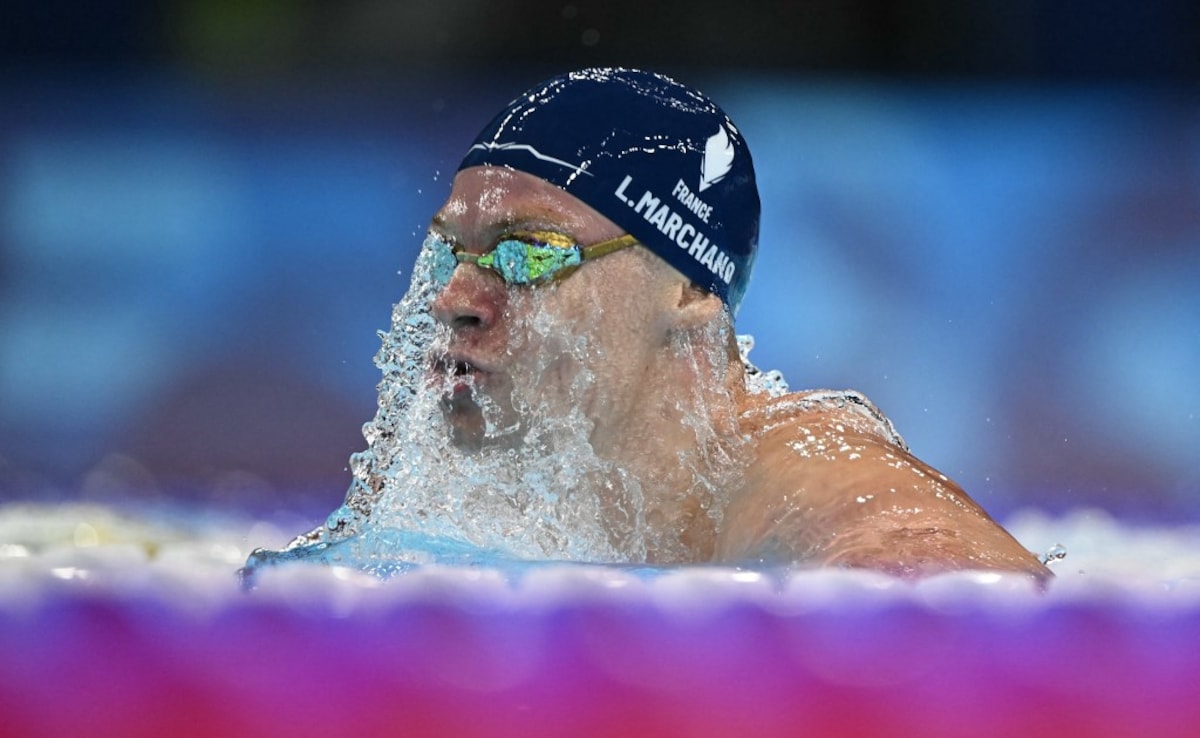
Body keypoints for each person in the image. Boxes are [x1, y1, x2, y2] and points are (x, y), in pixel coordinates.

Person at [249, 68, 1049, 581]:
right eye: (453, 252)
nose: (453, 298)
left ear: (692, 287)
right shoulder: (478, 488)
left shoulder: (811, 486)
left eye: (529, 252)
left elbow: (978, 625)